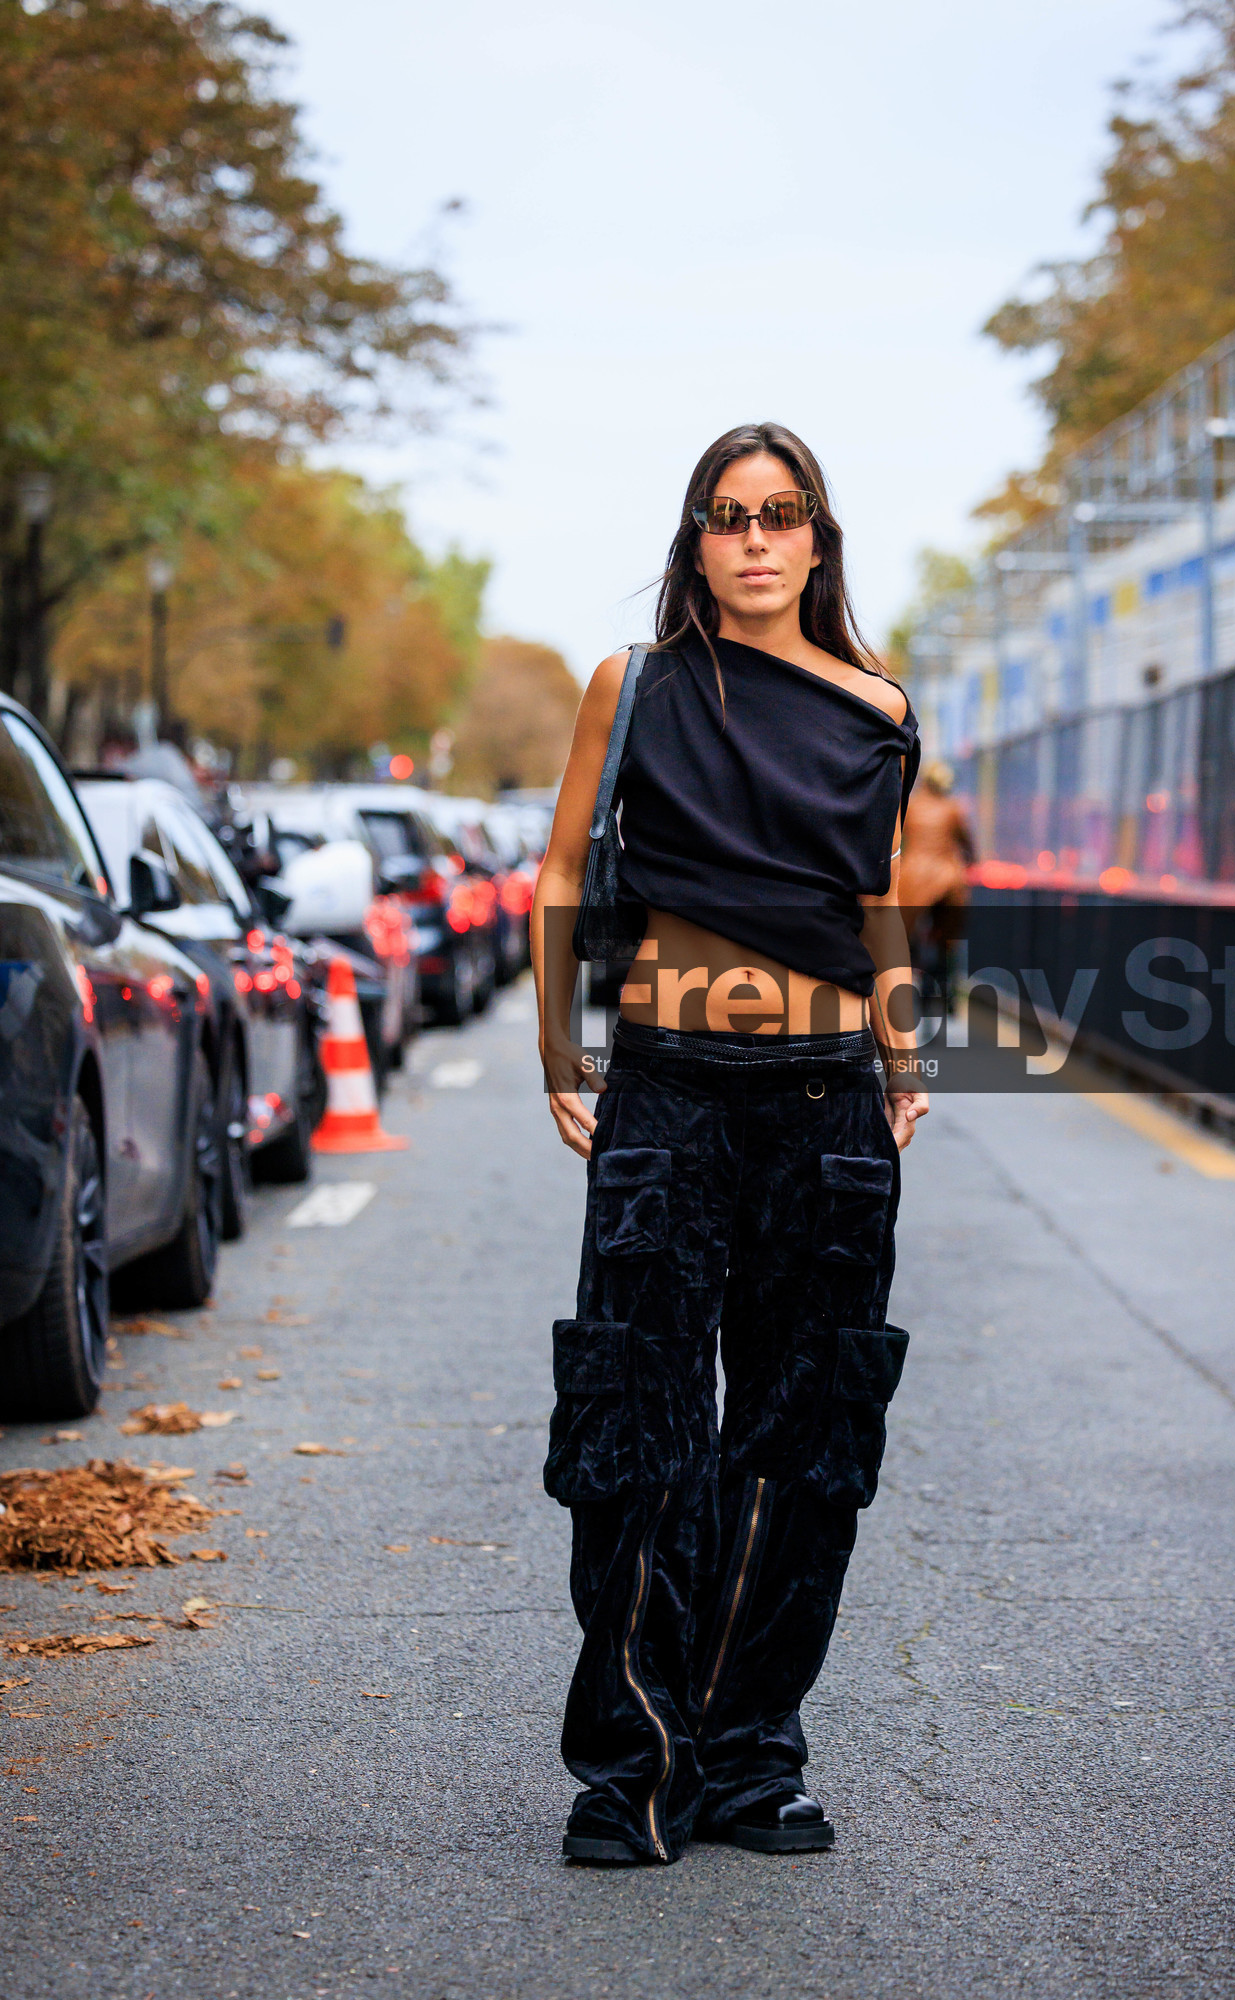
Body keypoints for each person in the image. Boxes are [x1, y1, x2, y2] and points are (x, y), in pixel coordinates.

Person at [531, 422, 928, 1867]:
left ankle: (752, 1761)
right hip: (665, 1092)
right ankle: (631, 1769)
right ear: (694, 541)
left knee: (804, 1431)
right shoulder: (631, 687)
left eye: (781, 514)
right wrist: (555, 1044)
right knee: (639, 1425)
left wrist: (906, 1048)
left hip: (829, 1101)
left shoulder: (879, 705)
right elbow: (562, 864)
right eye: (726, 515)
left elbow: (876, 895)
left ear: (819, 540)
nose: (754, 539)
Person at [896, 759, 975, 1007]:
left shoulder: (911, 807)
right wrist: (972, 859)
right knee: (949, 937)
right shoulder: (953, 809)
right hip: (947, 880)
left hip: (913, 880)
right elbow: (967, 844)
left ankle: (908, 975)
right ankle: (948, 988)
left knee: (904, 934)